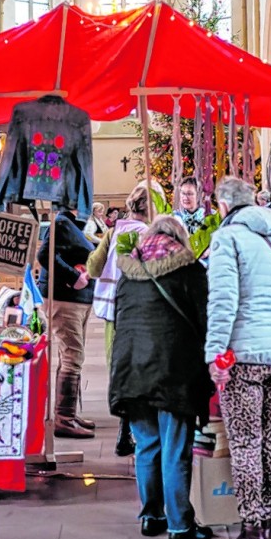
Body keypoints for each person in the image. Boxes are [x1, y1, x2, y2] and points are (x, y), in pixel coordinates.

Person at [204, 177, 271, 539]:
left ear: (224, 205)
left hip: (246, 355)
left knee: (246, 441)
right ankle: (270, 514)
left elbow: (223, 301)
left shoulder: (227, 239)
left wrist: (215, 353)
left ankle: (253, 525)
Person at [109, 217, 216, 539]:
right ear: (179, 240)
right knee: (175, 449)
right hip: (174, 373)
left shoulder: (128, 274)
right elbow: (207, 321)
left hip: (131, 371)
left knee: (147, 446)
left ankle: (151, 516)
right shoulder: (190, 270)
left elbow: (119, 320)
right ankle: (181, 526)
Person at [87, 184, 157, 457]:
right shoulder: (151, 234)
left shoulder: (114, 231)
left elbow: (94, 267)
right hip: (142, 312)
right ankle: (135, 430)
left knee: (119, 368)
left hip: (114, 312)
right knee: (140, 368)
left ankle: (123, 429)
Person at [39, 205, 97, 438]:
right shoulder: (62, 223)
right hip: (65, 299)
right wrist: (74, 277)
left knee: (69, 356)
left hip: (75, 300)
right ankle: (64, 419)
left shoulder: (71, 225)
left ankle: (66, 413)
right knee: (73, 355)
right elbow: (44, 255)